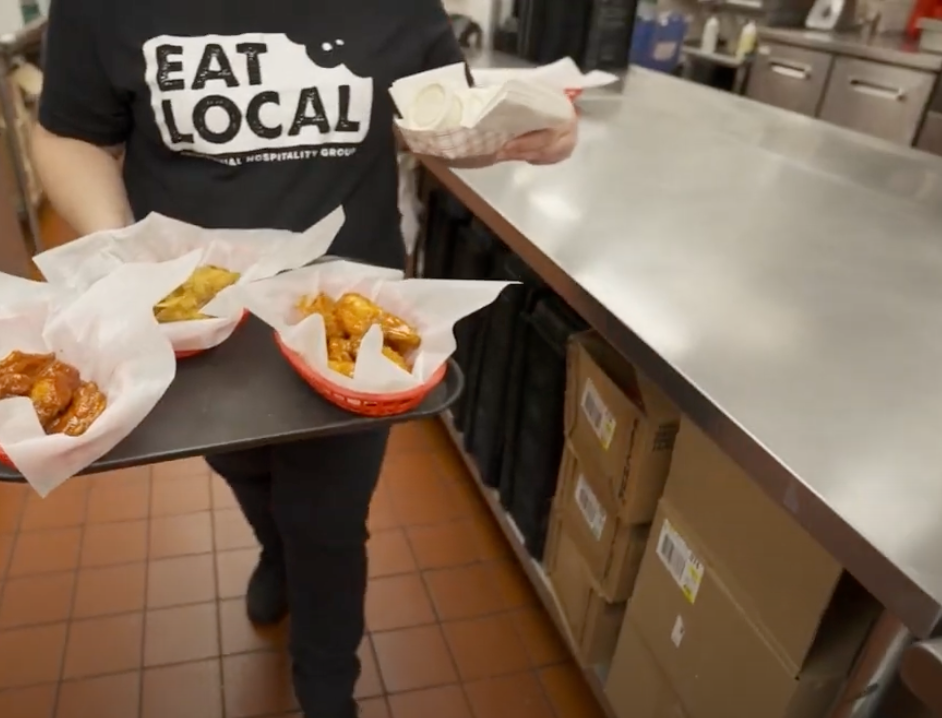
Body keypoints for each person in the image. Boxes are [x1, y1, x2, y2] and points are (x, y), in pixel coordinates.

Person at [32, 2, 578, 716]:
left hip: (348, 310)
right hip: (197, 314)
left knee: (328, 515)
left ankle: (326, 686)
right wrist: (120, 248)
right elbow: (68, 136)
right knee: (243, 465)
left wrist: (517, 131)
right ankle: (275, 547)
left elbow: (439, 121)